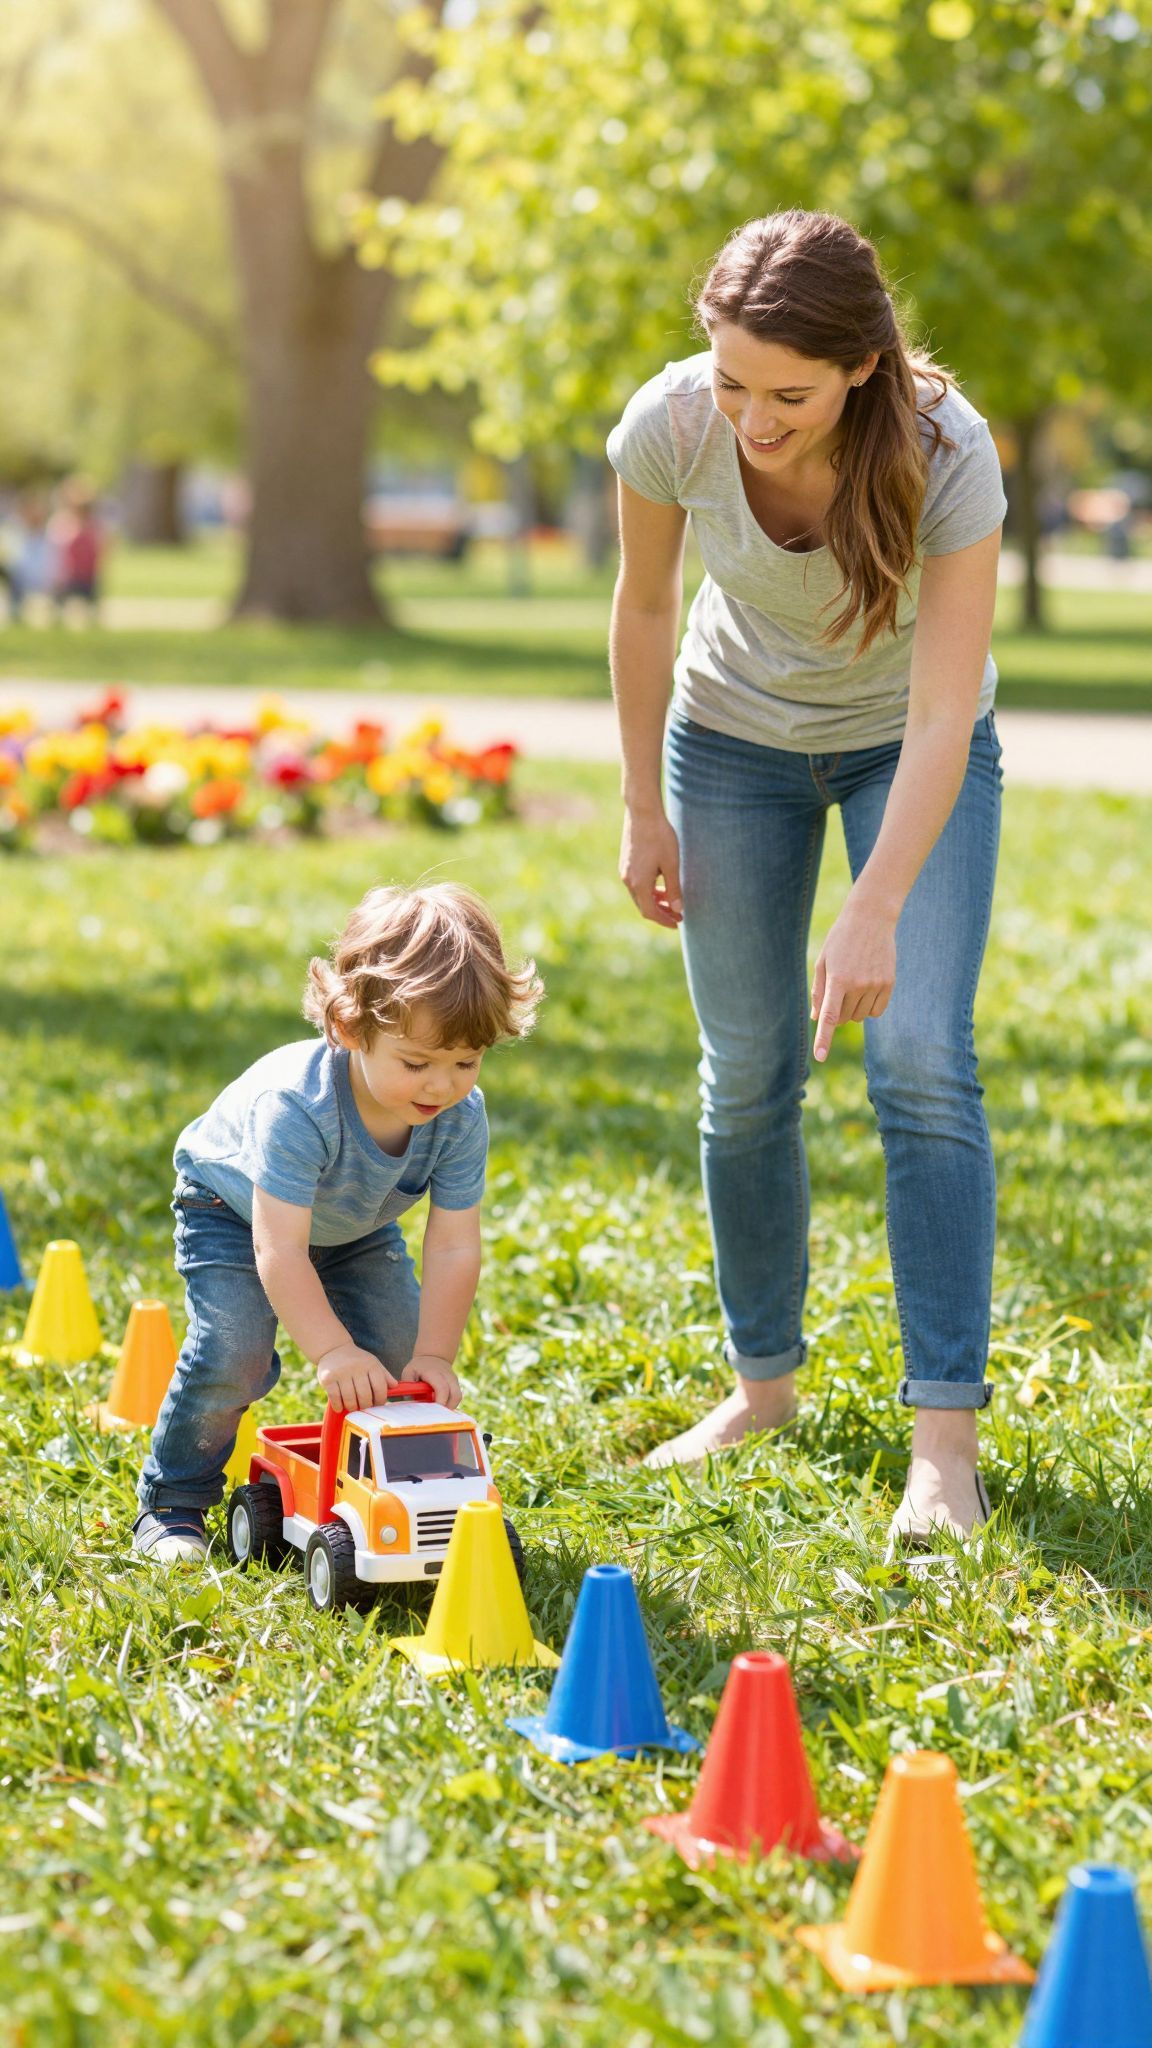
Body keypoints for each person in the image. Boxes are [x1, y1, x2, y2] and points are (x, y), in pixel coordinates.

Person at [607, 210, 1007, 1544]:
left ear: (859, 369)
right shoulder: (670, 425)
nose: (751, 419)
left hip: (910, 747)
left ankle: (942, 1443)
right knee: (748, 1073)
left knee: (923, 1065)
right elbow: (646, 609)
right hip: (728, 745)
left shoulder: (947, 452)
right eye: (730, 380)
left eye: (787, 392)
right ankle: (759, 1388)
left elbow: (946, 714)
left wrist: (877, 903)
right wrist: (640, 809)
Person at [133, 883, 542, 1563]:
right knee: (236, 1348)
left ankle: (370, 1492)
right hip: (236, 1216)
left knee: (396, 1353)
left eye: (465, 1062)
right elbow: (279, 1248)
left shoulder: (460, 1117)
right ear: (349, 1030)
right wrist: (330, 1351)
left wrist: (434, 1354)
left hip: (353, 1228)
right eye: (416, 1063)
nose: (441, 1086)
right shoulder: (297, 1107)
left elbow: (452, 1244)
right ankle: (173, 1501)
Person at [50, 481, 105, 620]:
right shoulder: (64, 523)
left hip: (86, 577)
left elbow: (99, 553)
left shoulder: (93, 526)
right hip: (68, 576)